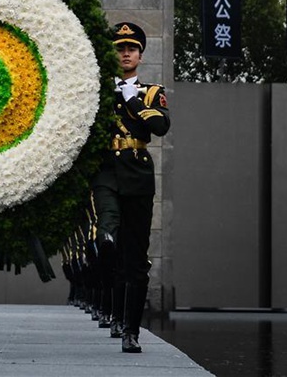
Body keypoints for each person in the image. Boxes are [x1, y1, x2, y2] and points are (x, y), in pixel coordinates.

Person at [91, 22, 170, 354]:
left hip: (137, 175)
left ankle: (130, 330)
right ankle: (105, 236)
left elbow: (161, 126)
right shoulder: (96, 89)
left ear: (140, 54)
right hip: (106, 170)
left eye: (131, 49)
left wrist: (132, 99)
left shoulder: (151, 92)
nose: (125, 53)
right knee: (108, 233)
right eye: (120, 48)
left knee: (135, 261)